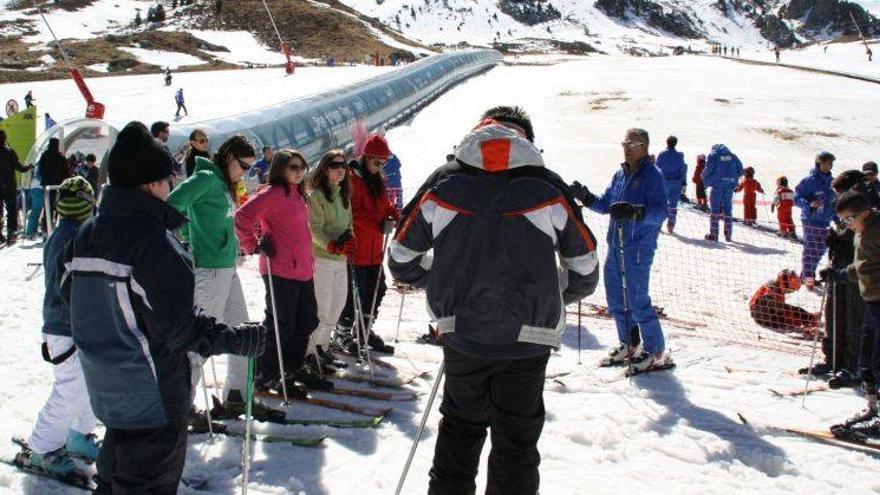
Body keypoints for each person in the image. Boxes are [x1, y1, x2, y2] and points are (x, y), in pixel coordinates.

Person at [391, 111, 599, 495]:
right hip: (529, 339)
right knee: (516, 446)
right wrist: (554, 294)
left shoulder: (445, 182)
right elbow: (585, 268)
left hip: (463, 333)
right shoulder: (548, 186)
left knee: (460, 432)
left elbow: (401, 258)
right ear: (528, 141)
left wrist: (441, 283)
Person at [62, 121, 266, 493]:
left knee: (114, 478)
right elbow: (178, 330)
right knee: (145, 482)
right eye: (168, 177)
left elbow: (70, 298)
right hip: (152, 393)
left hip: (109, 386)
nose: (172, 184)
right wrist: (234, 340)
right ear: (151, 183)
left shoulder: (88, 232)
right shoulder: (153, 242)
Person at [168, 135, 281, 419]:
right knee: (200, 341)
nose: (245, 172)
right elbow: (172, 204)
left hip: (227, 269)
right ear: (229, 157)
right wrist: (183, 239)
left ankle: (237, 395)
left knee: (244, 334)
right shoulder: (206, 179)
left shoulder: (223, 184)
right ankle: (182, 407)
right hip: (209, 270)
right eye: (243, 166)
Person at [571, 128, 670, 372]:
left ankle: (655, 351)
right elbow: (607, 204)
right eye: (624, 143)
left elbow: (661, 212)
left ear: (645, 147)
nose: (627, 148)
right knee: (615, 297)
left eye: (632, 144)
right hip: (616, 244)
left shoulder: (653, 176)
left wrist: (636, 212)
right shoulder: (620, 173)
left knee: (637, 300)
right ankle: (629, 343)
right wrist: (587, 197)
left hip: (637, 247)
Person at [19, 177, 98, 479]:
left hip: (75, 325)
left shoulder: (72, 232)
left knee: (88, 386)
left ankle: (79, 434)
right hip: (65, 327)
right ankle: (42, 448)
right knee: (70, 391)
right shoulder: (72, 236)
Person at [235, 149, 327, 391]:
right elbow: (242, 216)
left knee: (307, 320)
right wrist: (253, 244)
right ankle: (267, 372)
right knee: (281, 324)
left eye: (301, 167)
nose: (298, 172)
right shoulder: (274, 193)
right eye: (293, 167)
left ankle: (291, 367)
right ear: (281, 169)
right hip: (280, 269)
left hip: (303, 269)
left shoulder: (298, 194)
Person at [824, 191, 880, 437]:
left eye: (848, 219)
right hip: (872, 301)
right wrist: (840, 273)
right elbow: (862, 266)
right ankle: (873, 407)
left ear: (864, 212)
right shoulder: (862, 231)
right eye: (843, 221)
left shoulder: (877, 230)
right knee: (865, 361)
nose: (846, 225)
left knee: (879, 362)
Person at [341, 134, 399, 355]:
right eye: (377, 162)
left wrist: (394, 216)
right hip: (357, 249)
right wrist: (379, 224)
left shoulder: (378, 181)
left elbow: (385, 207)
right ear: (366, 158)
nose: (380, 166)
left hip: (375, 251)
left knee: (377, 290)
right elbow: (353, 213)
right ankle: (344, 334)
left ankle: (364, 330)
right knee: (355, 295)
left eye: (383, 163)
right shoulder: (352, 180)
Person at [305, 150, 355, 374]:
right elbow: (313, 228)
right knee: (322, 307)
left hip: (340, 259)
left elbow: (349, 224)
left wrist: (349, 240)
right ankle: (311, 351)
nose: (340, 169)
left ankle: (323, 348)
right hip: (322, 258)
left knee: (337, 306)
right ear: (325, 168)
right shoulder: (316, 195)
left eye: (343, 165)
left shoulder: (343, 195)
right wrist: (332, 244)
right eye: (335, 165)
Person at [795, 151, 836, 289]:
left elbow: (833, 204)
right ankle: (808, 276)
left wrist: (837, 219)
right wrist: (808, 205)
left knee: (821, 249)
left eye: (831, 162)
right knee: (810, 249)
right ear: (819, 162)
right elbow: (796, 198)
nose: (830, 165)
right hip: (811, 220)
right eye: (828, 162)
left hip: (825, 221)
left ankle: (806, 273)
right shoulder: (809, 181)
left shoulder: (832, 182)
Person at [749, 269, 817, 331]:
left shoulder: (776, 285)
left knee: (795, 312)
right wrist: (801, 316)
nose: (789, 292)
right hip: (761, 315)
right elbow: (783, 310)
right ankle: (805, 327)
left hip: (768, 309)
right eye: (789, 291)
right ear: (784, 285)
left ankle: (807, 319)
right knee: (789, 316)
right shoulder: (770, 295)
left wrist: (803, 314)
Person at [702, 144, 744, 241]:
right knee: (728, 211)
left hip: (717, 187)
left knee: (714, 211)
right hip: (729, 187)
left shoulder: (714, 155)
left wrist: (703, 179)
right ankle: (728, 234)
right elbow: (741, 170)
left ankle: (714, 234)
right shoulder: (733, 156)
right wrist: (733, 179)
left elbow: (708, 169)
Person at [0, 130, 31, 244]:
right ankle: (11, 234)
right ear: (5, 139)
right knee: (11, 210)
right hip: (9, 185)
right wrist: (28, 166)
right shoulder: (10, 152)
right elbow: (20, 168)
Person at [655, 135, 687, 233]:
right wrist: (683, 183)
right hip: (676, 182)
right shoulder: (679, 155)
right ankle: (671, 224)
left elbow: (657, 168)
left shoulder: (662, 154)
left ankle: (658, 224)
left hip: (665, 182)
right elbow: (683, 169)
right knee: (673, 205)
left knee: (662, 204)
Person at [37, 137, 69, 229]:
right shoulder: (61, 157)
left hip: (46, 185)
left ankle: (46, 227)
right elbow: (65, 171)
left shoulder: (44, 155)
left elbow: (40, 170)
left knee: (47, 206)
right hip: (58, 185)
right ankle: (57, 226)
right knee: (59, 206)